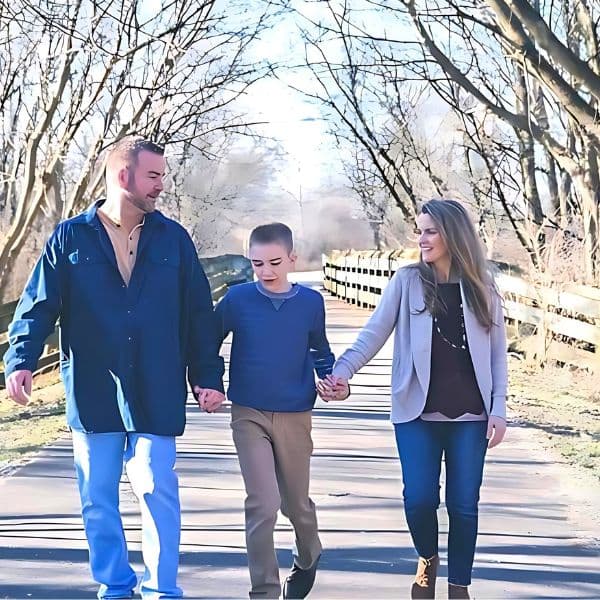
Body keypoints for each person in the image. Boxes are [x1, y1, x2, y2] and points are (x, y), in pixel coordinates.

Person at [4, 136, 225, 599]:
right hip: (94, 389)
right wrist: (21, 361)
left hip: (158, 385)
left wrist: (206, 377)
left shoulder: (174, 239)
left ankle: (162, 590)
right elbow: (36, 306)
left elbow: (198, 314)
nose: (161, 185)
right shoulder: (70, 238)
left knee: (153, 484)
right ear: (123, 176)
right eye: (154, 175)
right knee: (98, 499)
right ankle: (115, 587)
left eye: (163, 176)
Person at [321, 199, 508, 599]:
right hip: (416, 413)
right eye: (419, 230)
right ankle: (427, 557)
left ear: (453, 235)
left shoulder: (482, 285)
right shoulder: (406, 281)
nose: (421, 239)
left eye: (430, 231)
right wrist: (342, 372)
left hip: (471, 417)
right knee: (419, 499)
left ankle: (459, 586)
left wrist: (499, 409)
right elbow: (373, 333)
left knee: (464, 506)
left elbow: (497, 353)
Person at [215, 222, 343, 599]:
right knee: (263, 503)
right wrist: (208, 383)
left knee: (295, 504)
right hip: (248, 411)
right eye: (257, 264)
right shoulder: (237, 300)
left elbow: (320, 348)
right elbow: (208, 342)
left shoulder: (310, 302)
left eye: (274, 262)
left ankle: (308, 553)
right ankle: (265, 592)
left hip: (294, 412)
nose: (266, 271)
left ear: (292, 258)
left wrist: (329, 376)